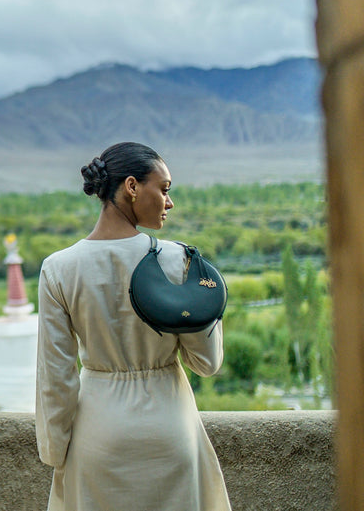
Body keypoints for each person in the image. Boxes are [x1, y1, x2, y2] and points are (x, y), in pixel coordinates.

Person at [35, 142, 231, 511]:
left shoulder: (58, 269)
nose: (169, 202)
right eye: (165, 189)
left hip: (99, 436)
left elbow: (55, 379)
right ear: (132, 186)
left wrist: (56, 451)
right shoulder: (179, 260)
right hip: (171, 431)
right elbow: (208, 362)